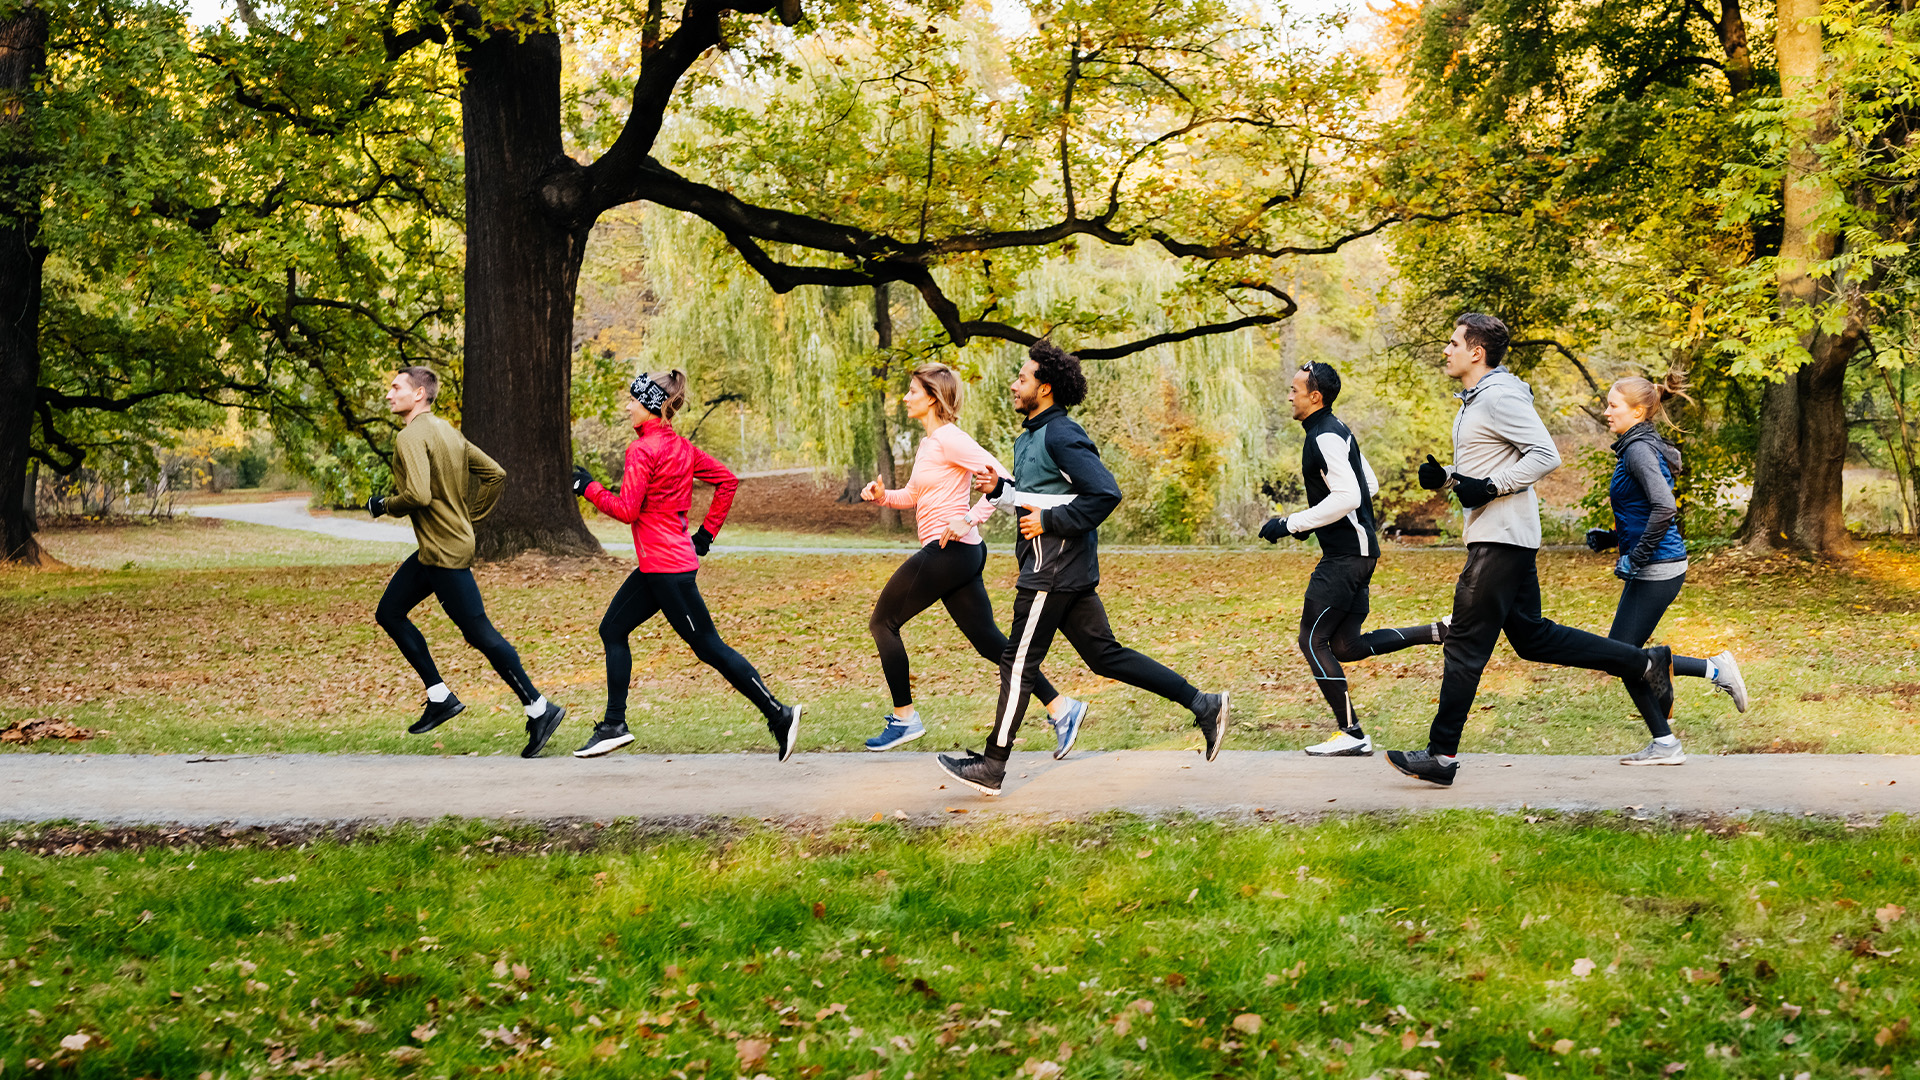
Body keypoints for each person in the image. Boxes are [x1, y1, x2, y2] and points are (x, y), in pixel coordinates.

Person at [1386, 314, 1676, 786]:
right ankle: (1644, 663)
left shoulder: (1499, 395)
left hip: (1501, 537)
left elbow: (1545, 454)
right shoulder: (1476, 398)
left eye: (1453, 342)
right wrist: (1450, 481)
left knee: (1464, 642)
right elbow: (1486, 473)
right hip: (1498, 533)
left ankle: (1440, 757)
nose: (1446, 350)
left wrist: (1492, 486)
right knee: (1534, 638)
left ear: (1476, 351)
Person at [936, 341, 1231, 796]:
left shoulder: (1061, 434)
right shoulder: (1030, 435)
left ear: (1046, 388)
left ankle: (993, 765)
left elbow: (1103, 493)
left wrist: (1051, 521)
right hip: (1060, 569)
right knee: (1104, 656)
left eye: (1023, 378)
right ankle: (1204, 704)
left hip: (1051, 571)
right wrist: (1002, 491)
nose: (1014, 385)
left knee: (1017, 664)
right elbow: (1042, 494)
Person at [570, 371, 802, 761]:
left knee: (708, 647)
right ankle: (614, 724)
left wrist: (588, 488)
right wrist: (705, 536)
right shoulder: (681, 447)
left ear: (649, 405)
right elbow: (727, 481)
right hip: (662, 566)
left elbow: (628, 510)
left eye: (632, 401)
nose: (627, 406)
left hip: (668, 571)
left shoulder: (642, 450)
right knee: (612, 628)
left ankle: (779, 714)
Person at [858, 364, 1087, 754]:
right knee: (990, 642)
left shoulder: (950, 438)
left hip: (950, 552)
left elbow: (1005, 481)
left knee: (883, 622)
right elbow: (914, 496)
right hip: (957, 555)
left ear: (932, 397)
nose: (906, 397)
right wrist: (882, 496)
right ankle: (1062, 708)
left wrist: (967, 518)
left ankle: (904, 718)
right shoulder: (930, 443)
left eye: (913, 391)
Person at [368, 366, 568, 758]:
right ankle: (440, 696)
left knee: (479, 632)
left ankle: (539, 708)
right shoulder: (447, 430)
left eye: (396, 388)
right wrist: (467, 516)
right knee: (390, 611)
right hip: (441, 548)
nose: (389, 394)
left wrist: (384, 505)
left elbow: (419, 494)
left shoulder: (410, 436)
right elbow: (495, 474)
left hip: (443, 552)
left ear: (420, 394)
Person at [1259, 362, 1449, 757]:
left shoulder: (1324, 437)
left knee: (1312, 640)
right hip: (1360, 553)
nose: (1289, 396)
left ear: (1316, 396)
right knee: (1344, 645)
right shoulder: (1335, 429)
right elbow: (1368, 485)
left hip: (1346, 556)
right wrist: (1320, 520)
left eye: (1295, 390)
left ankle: (1352, 733)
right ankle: (1437, 631)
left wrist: (1292, 523)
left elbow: (1349, 496)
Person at [1584, 374, 1750, 754]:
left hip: (1658, 566)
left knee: (1622, 656)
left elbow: (1665, 508)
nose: (1606, 411)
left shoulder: (1639, 449)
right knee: (1623, 655)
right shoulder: (1635, 445)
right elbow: (1643, 509)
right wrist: (1613, 539)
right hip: (1657, 564)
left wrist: (1635, 557)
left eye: (1614, 405)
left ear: (1638, 411)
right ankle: (1673, 728)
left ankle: (1703, 685)